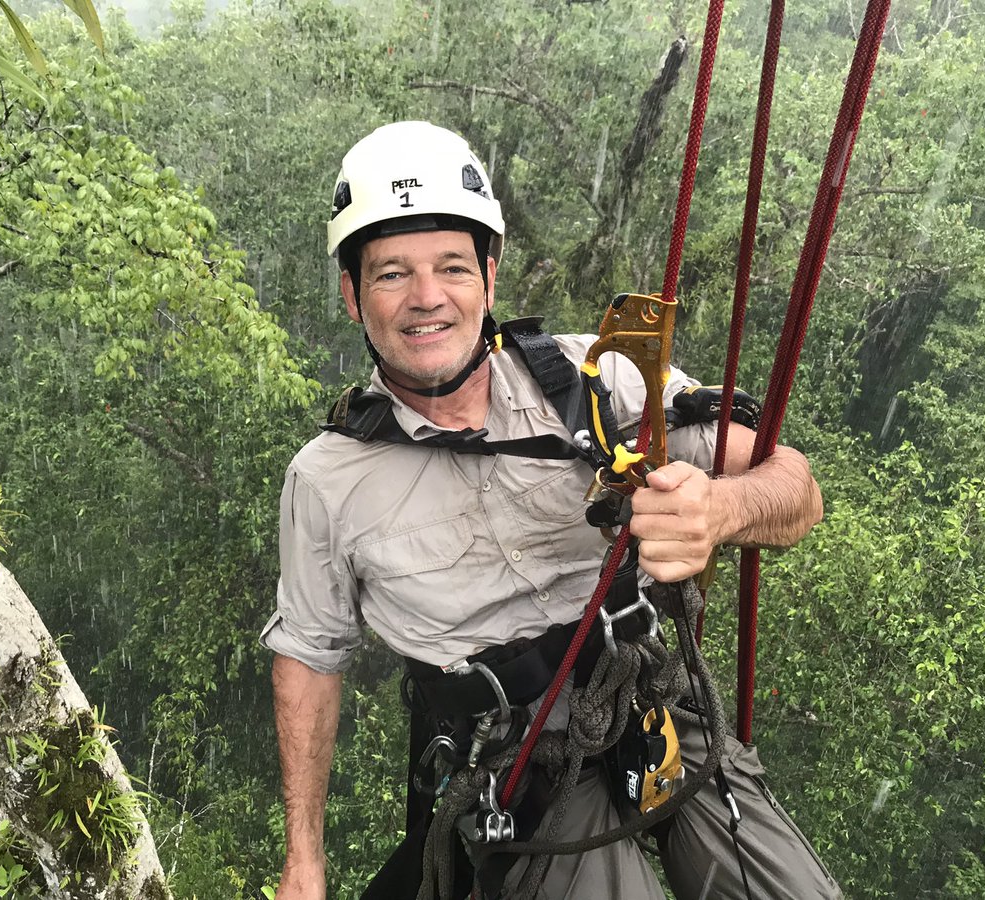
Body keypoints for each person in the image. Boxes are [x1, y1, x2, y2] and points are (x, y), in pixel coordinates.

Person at [262, 121, 840, 899]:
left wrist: (723, 508)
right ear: (351, 294)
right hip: (511, 758)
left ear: (489, 279)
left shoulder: (591, 379)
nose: (426, 297)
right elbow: (309, 655)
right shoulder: (327, 482)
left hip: (644, 692)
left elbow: (793, 486)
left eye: (451, 268)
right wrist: (306, 860)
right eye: (392, 273)